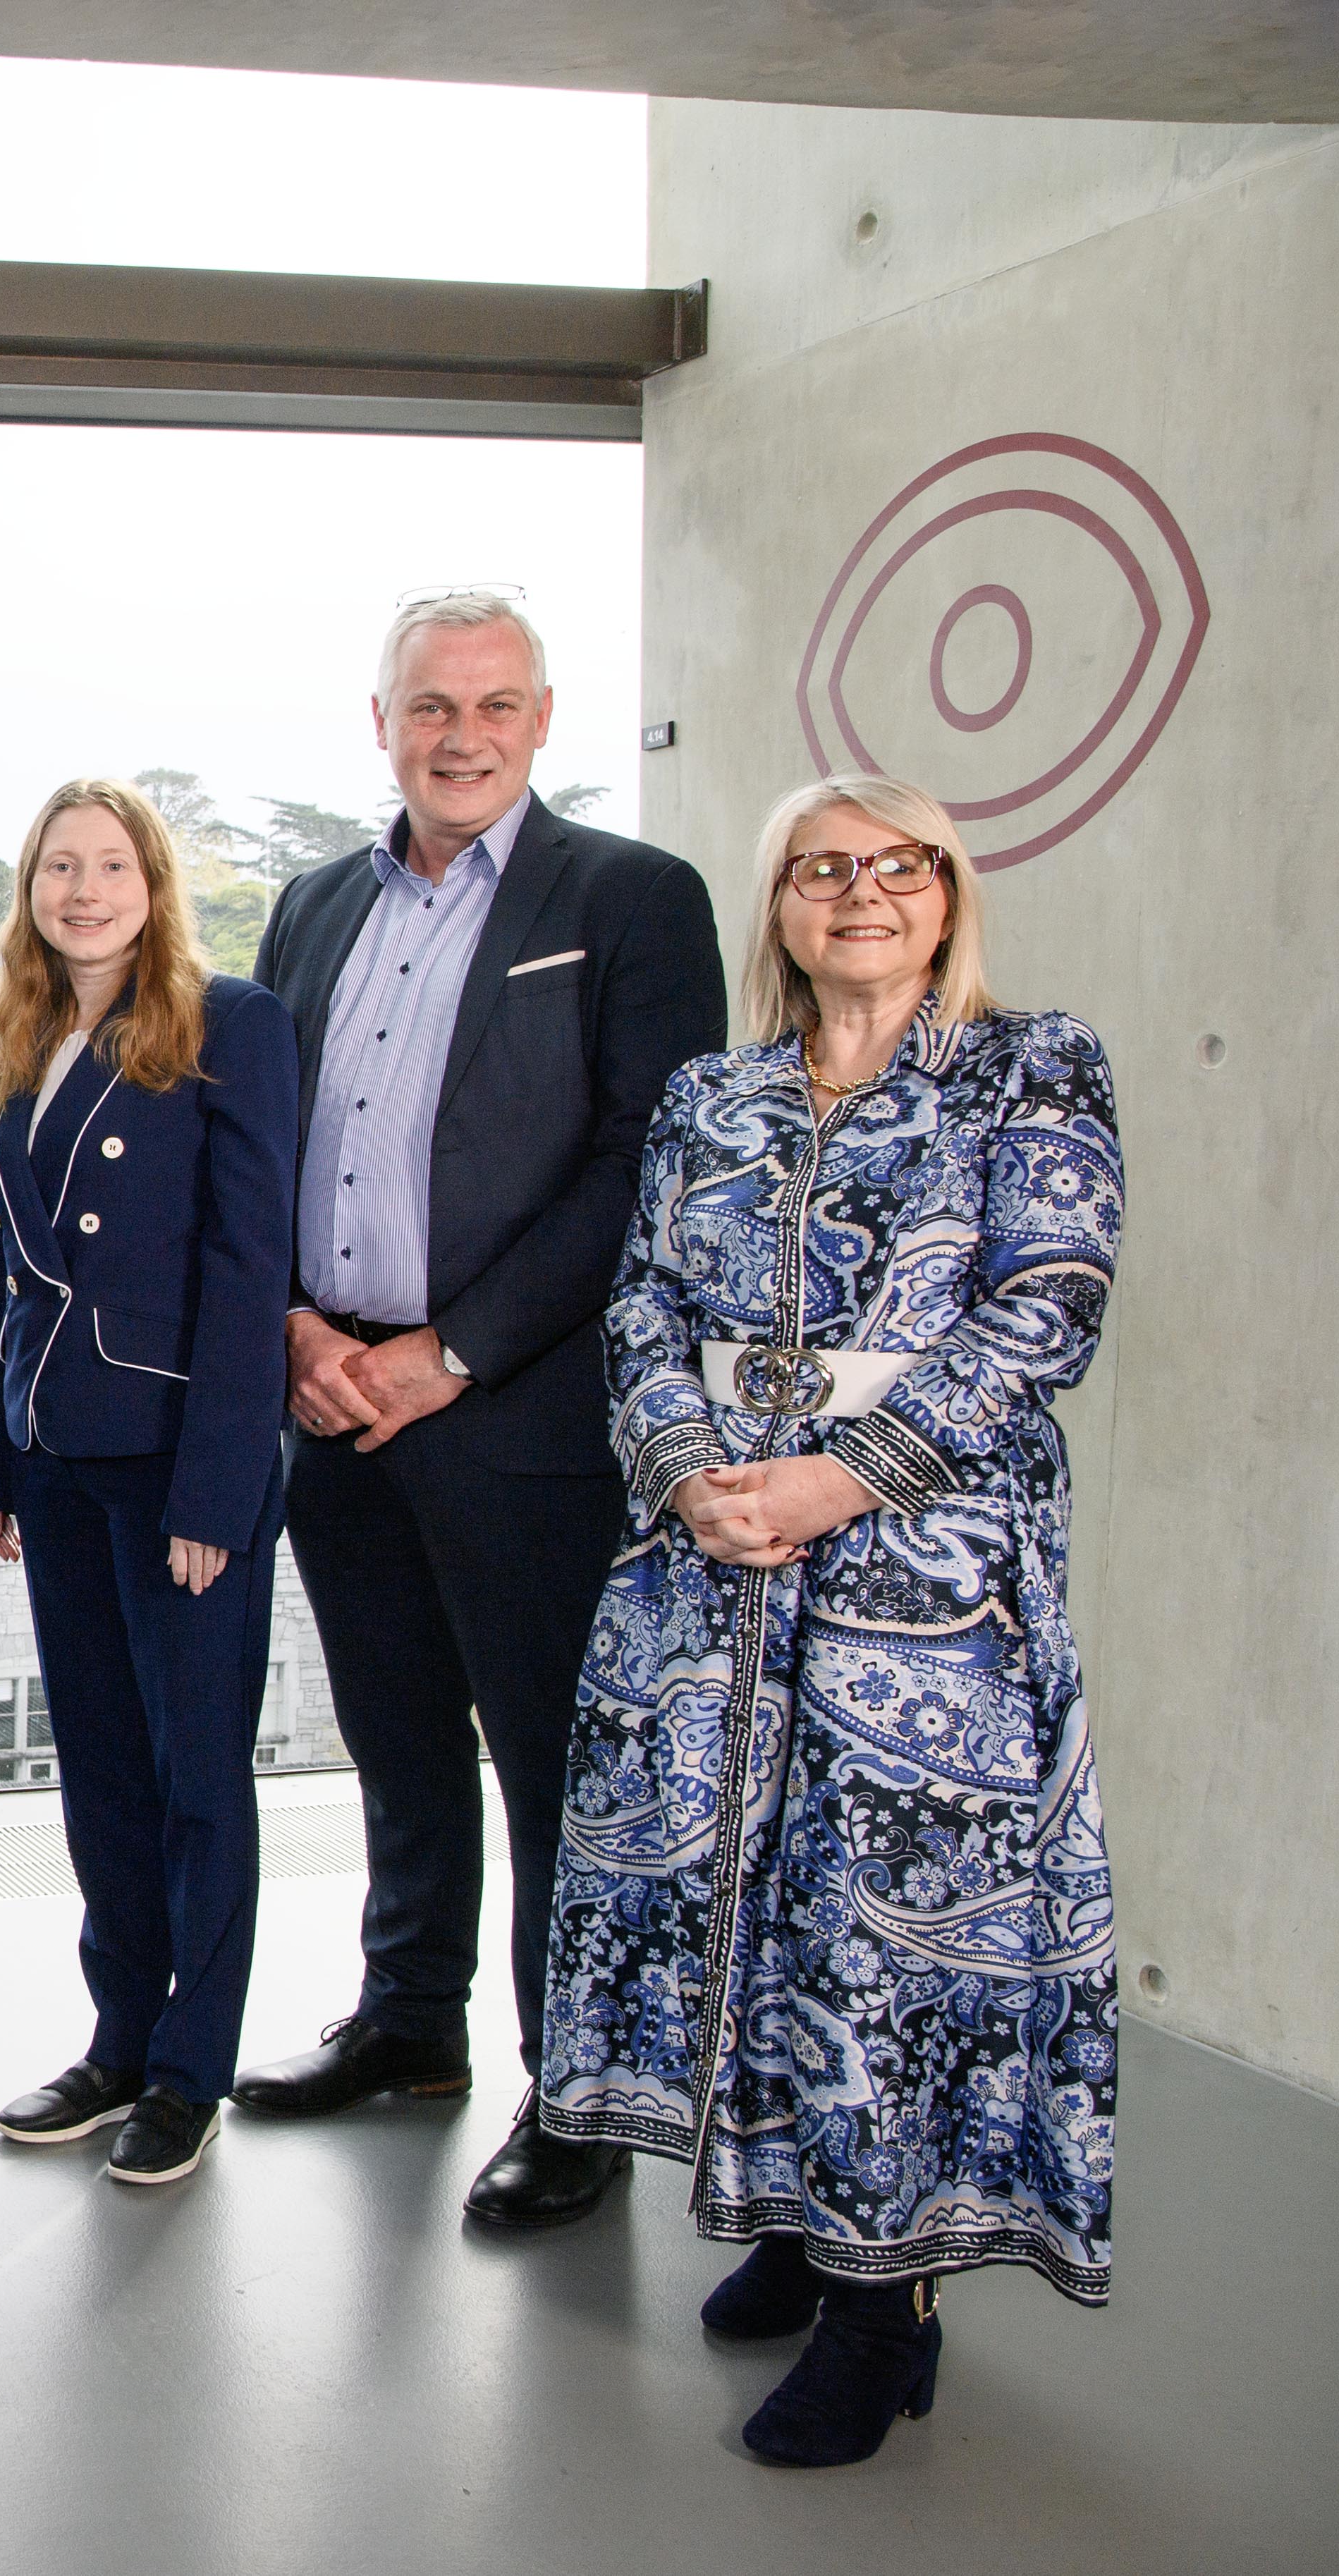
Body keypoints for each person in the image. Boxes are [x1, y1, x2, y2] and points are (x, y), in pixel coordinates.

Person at [542, 775, 1120, 2465]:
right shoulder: (709, 1092)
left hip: (920, 1587)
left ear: (944, 893)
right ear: (778, 906)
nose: (857, 893)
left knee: (887, 1932)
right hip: (707, 1567)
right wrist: (683, 1463)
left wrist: (832, 1479)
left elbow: (1044, 1310)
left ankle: (891, 2306)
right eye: (820, 869)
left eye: (892, 867)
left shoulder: (1035, 1064)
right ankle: (800, 2227)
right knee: (745, 1902)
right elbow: (641, 1298)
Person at [238, 592, 723, 2229]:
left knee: (549, 1762)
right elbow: (253, 1144)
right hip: (328, 1395)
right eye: (429, 706)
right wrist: (298, 1329)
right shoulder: (309, 906)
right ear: (380, 721)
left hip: (507, 1408)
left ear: (540, 720)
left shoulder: (632, 900)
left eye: (494, 706)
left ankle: (574, 2089)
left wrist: (449, 1353)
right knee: (391, 1737)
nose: (461, 736)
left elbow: (640, 1162)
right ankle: (406, 2023)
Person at [0, 781, 299, 2187]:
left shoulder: (234, 1027)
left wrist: (220, 1492)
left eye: (109, 866)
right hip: (55, 1455)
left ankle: (189, 2066)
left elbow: (248, 1263)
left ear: (154, 885)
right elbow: (4, 1275)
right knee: (99, 1765)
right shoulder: (28, 1036)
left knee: (195, 1773)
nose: (83, 890)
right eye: (57, 867)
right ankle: (116, 2039)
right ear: (29, 889)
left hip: (175, 1463)